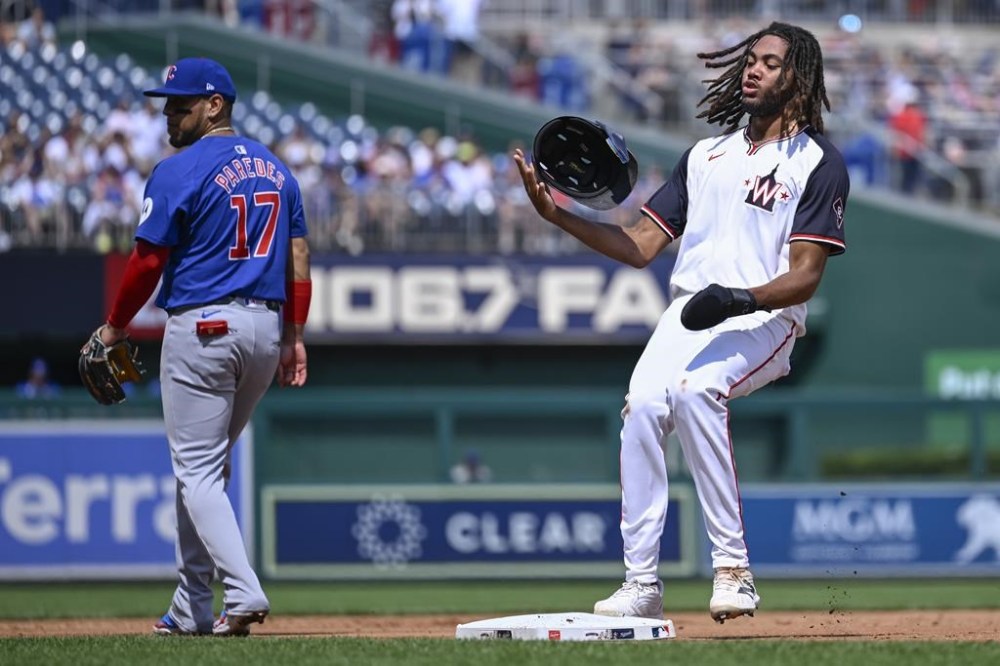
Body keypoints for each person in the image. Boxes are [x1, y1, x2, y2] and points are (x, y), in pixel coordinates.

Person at [513, 22, 849, 623]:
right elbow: (641, 244)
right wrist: (557, 213)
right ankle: (641, 583)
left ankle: (733, 570)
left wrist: (739, 300)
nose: (752, 69)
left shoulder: (818, 162)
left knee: (697, 393)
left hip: (763, 319)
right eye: (750, 60)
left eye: (769, 63)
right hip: (689, 312)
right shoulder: (704, 156)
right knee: (642, 406)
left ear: (797, 76)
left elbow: (806, 275)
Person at [81, 57, 312, 637]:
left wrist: (113, 327)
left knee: (198, 473)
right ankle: (191, 605)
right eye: (167, 104)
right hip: (263, 330)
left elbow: (148, 259)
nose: (168, 114)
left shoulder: (178, 169)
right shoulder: (279, 169)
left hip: (204, 328)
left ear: (215, 106)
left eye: (180, 104)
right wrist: (295, 337)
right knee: (205, 469)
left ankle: (244, 590)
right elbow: (300, 260)